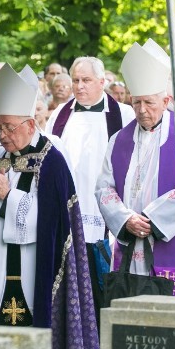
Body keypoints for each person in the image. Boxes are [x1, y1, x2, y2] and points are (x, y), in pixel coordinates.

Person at [0, 63, 99, 349]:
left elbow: (52, 225)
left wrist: (8, 197)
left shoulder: (52, 161)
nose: (1, 134)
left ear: (30, 123)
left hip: (36, 271)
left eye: (8, 127)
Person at [96, 39, 175, 298]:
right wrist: (126, 218)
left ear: (166, 101)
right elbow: (104, 188)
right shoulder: (119, 140)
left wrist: (152, 220)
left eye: (149, 103)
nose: (141, 111)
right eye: (136, 102)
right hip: (133, 249)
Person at [46, 56, 135, 314]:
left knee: (102, 285)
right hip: (69, 207)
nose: (80, 86)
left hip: (105, 210)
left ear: (102, 81)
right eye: (76, 80)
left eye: (86, 80)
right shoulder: (59, 115)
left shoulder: (123, 114)